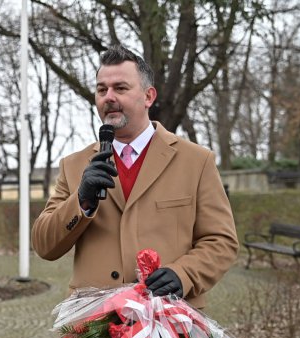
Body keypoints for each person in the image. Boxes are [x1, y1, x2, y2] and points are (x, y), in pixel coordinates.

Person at [31, 45, 238, 309]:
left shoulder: (196, 161)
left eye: (120, 88)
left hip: (171, 320)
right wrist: (81, 201)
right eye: (101, 90)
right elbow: (44, 245)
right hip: (93, 328)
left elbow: (221, 241)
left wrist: (184, 274)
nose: (109, 97)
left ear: (148, 96)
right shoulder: (73, 166)